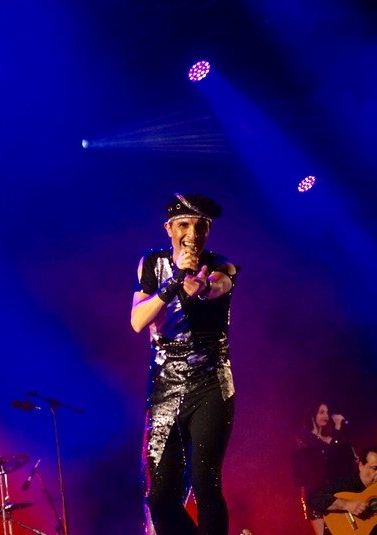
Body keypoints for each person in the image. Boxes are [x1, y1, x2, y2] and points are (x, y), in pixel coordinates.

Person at [131, 193, 238, 535]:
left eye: (200, 227)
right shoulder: (152, 263)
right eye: (184, 225)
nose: (192, 234)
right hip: (164, 386)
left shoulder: (221, 265)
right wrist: (174, 280)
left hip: (210, 383)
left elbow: (217, 286)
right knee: (160, 498)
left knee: (206, 481)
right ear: (169, 229)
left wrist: (201, 286)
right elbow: (138, 320)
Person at [306, 446, 377, 535]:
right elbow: (312, 497)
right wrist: (346, 504)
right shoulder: (346, 484)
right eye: (375, 468)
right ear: (361, 465)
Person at [293, 403, 356, 535]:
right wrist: (337, 427)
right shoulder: (304, 439)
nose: (326, 415)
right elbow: (324, 455)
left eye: (327, 412)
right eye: (321, 412)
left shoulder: (328, 438)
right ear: (312, 415)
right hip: (317, 496)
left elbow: (336, 455)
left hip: (334, 493)